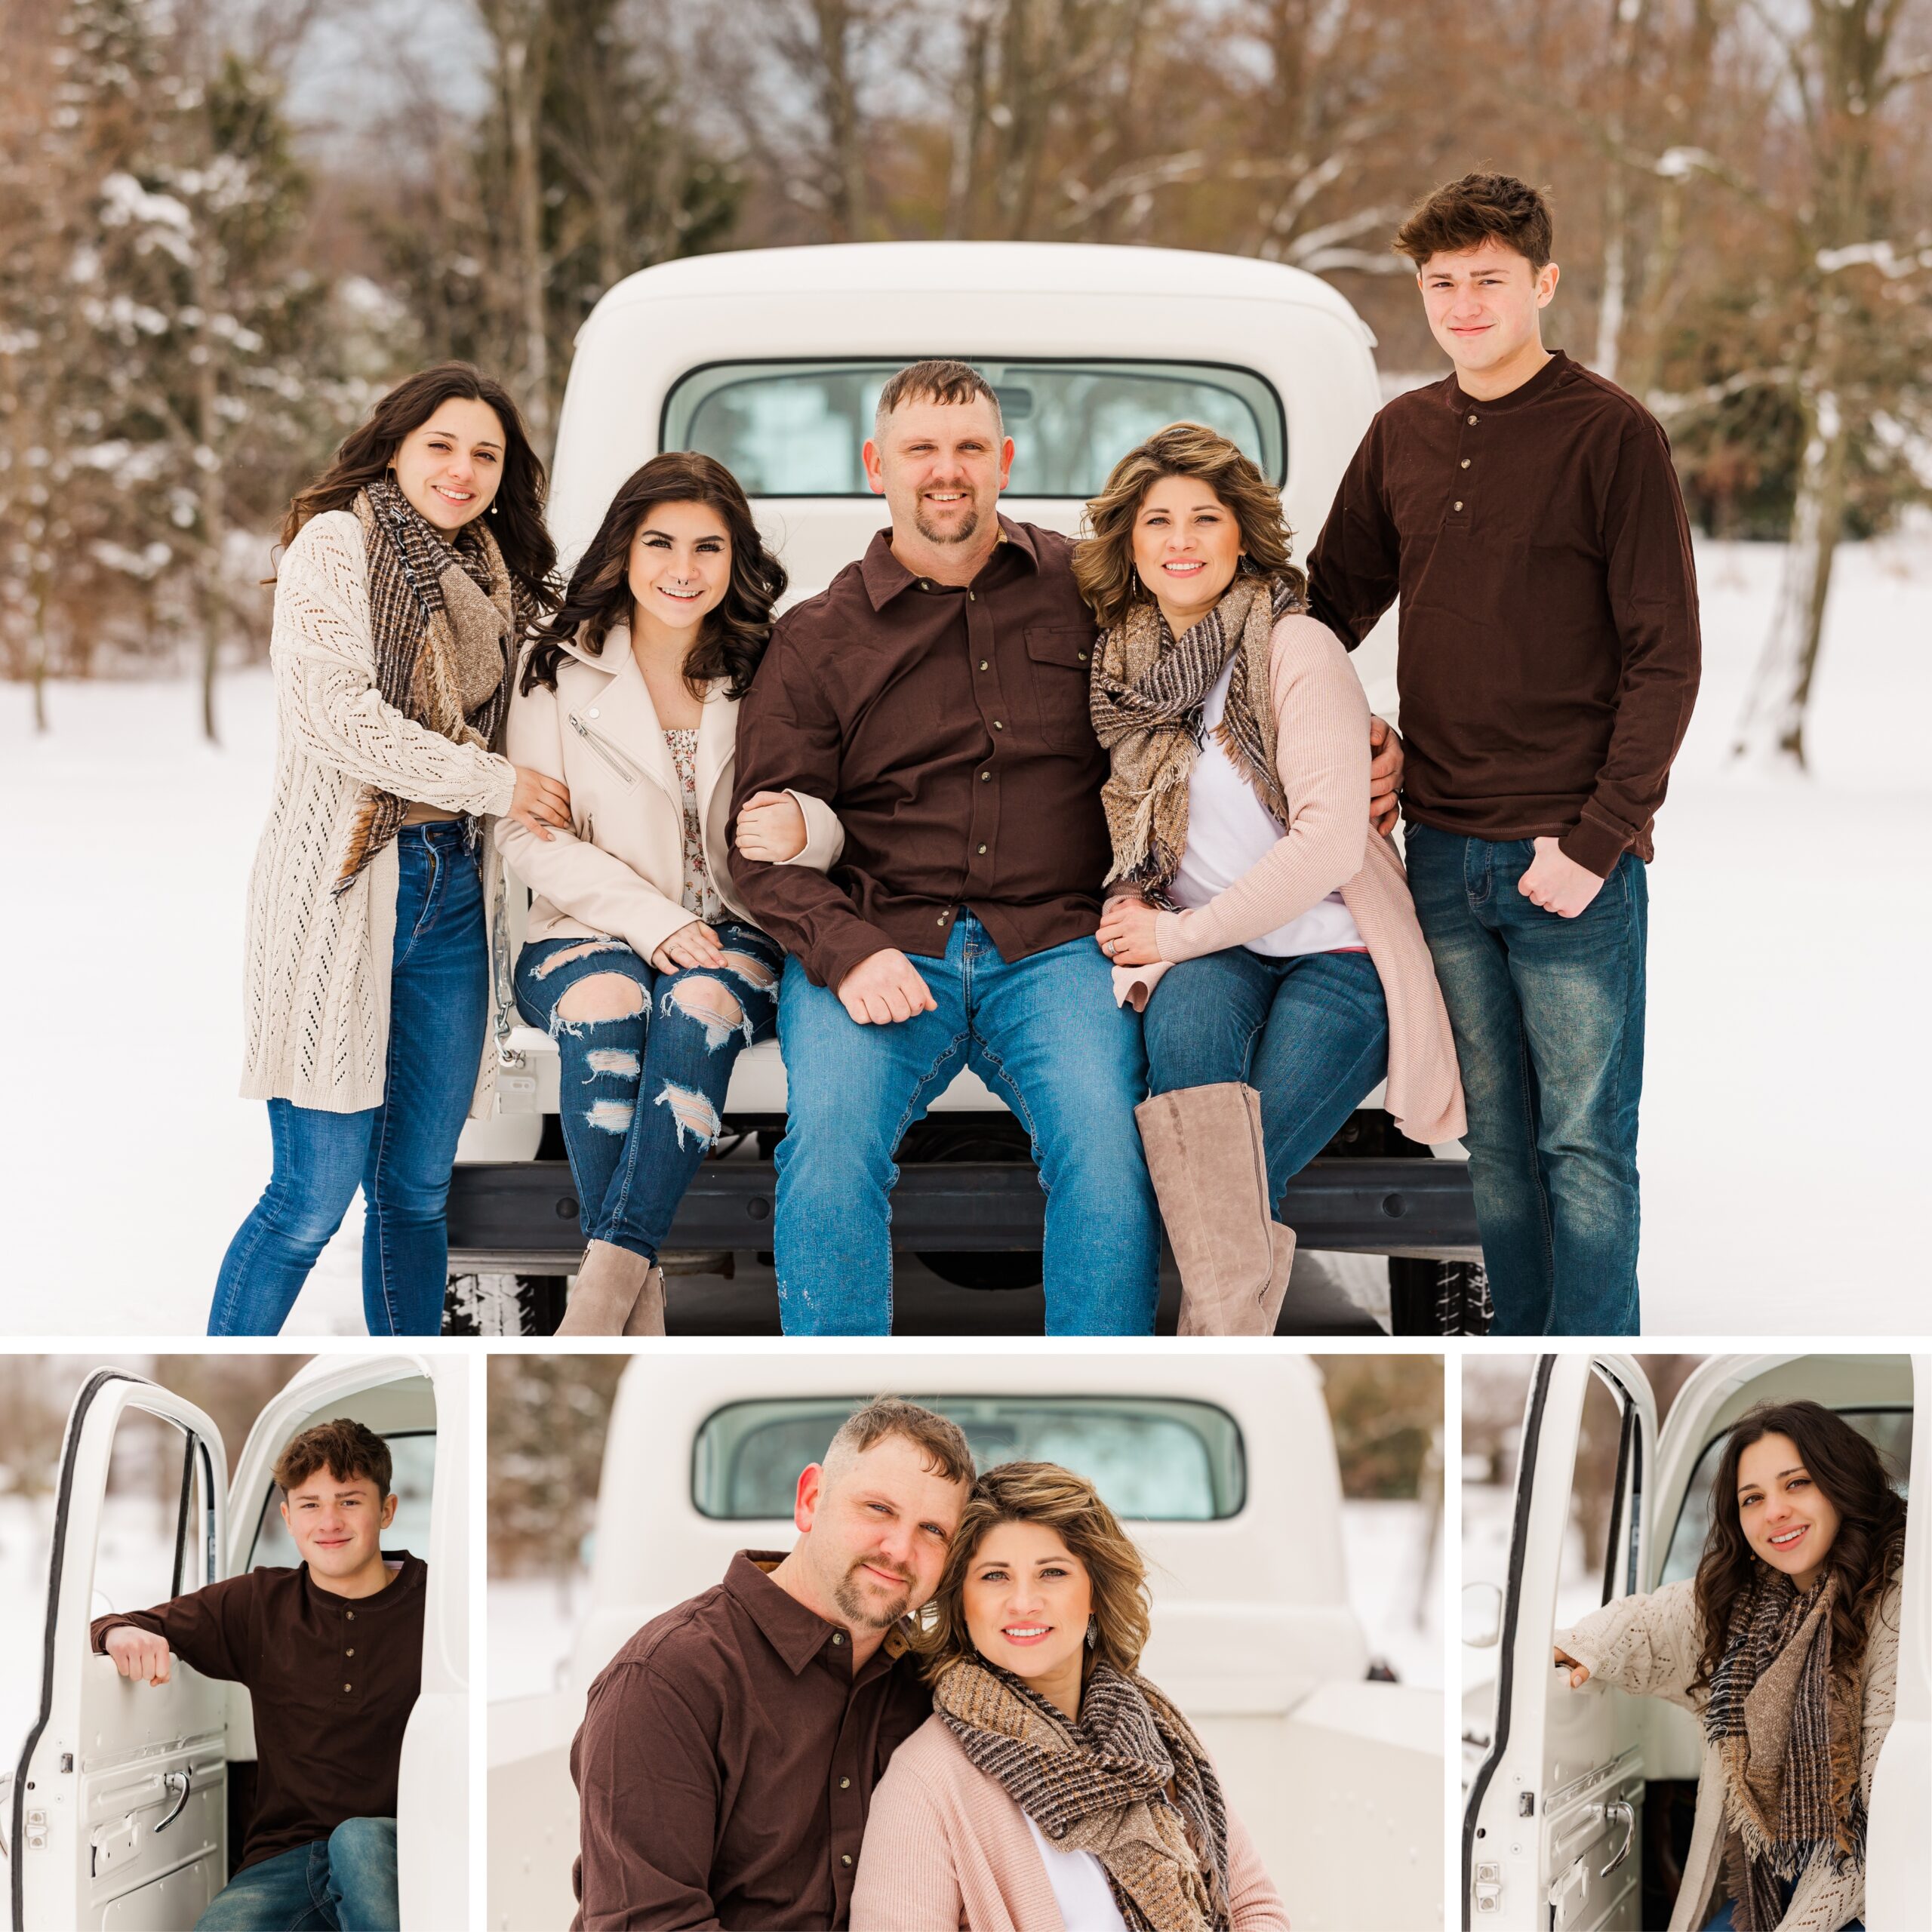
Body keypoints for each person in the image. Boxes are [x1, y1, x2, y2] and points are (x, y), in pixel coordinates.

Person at [728, 360, 1404, 1335]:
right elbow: (760, 846)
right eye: (921, 449)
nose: (946, 471)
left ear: (1005, 461)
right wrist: (846, 949)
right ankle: (845, 1394)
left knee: (1110, 1144)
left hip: (1055, 944)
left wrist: (1371, 737)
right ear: (877, 464)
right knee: (827, 1145)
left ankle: (1102, 1370)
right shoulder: (816, 638)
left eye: (969, 448)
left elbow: (1225, 661)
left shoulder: (1087, 592)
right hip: (881, 938)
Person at [1304, 173, 1701, 1337]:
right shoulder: (1403, 436)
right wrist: (1351, 734)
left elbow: (1664, 659)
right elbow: (1322, 617)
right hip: (1441, 854)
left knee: (1582, 1146)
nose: (1464, 303)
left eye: (1488, 279)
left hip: (1567, 861)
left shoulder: (1612, 434)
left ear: (1542, 283)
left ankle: (1587, 1360)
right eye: (1442, 283)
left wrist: (1595, 839)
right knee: (1491, 1144)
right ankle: (1522, 1355)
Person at [211, 363, 571, 1336]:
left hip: (453, 892)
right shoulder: (337, 545)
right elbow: (336, 717)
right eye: (441, 447)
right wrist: (492, 783)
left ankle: (425, 1383)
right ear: (397, 446)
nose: (462, 470)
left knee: (414, 1194)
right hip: (348, 883)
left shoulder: (497, 570)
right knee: (310, 1200)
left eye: (485, 454)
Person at [1084, 423, 1464, 1335]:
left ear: (1242, 536)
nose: (1179, 541)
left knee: (1238, 1166)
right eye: (1157, 521)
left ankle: (1202, 1355)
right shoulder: (1124, 665)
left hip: (1336, 949)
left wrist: (1173, 937)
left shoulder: (1296, 649)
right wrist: (1137, 902)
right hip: (1211, 945)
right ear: (1128, 545)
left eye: (1203, 519)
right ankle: (1214, 1351)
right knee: (1197, 1155)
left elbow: (1331, 842)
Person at [497, 452, 842, 1334]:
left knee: (696, 1004)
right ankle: (634, 1293)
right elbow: (529, 831)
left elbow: (838, 805)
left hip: (742, 925)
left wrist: (806, 826)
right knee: (609, 1006)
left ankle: (604, 1293)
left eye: (706, 547)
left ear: (737, 560)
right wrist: (653, 924)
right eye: (659, 543)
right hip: (590, 923)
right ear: (623, 548)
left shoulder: (772, 662)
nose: (681, 570)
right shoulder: (556, 667)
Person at [570, 1398, 977, 1930]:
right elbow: (653, 1922)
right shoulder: (668, 1680)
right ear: (810, 1500)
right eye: (879, 1509)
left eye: (934, 1531)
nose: (900, 1550)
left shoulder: (933, 1687)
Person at [851, 1460, 1288, 1932]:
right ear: (961, 1601)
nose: (1023, 1602)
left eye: (1053, 1572)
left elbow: (1255, 1909)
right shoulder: (928, 1780)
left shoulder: (1159, 1736)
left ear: (1095, 1591)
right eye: (995, 1576)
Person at [1552, 1401, 1904, 1932]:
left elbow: (1885, 1828)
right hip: (1770, 1878)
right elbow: (1651, 1624)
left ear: (1841, 1483)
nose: (1774, 1512)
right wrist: (1580, 1647)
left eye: (1797, 1484)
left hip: (1878, 1889)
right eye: (1753, 1498)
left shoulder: (1903, 1604)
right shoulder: (1746, 1602)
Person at [92, 1420, 426, 1932]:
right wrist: (119, 1634)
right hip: (287, 1857)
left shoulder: (438, 1599)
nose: (329, 1521)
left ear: (386, 1510)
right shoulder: (258, 1603)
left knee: (358, 1841)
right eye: (311, 1504)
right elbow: (123, 1624)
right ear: (289, 1518)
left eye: (350, 1500)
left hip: (407, 1847)